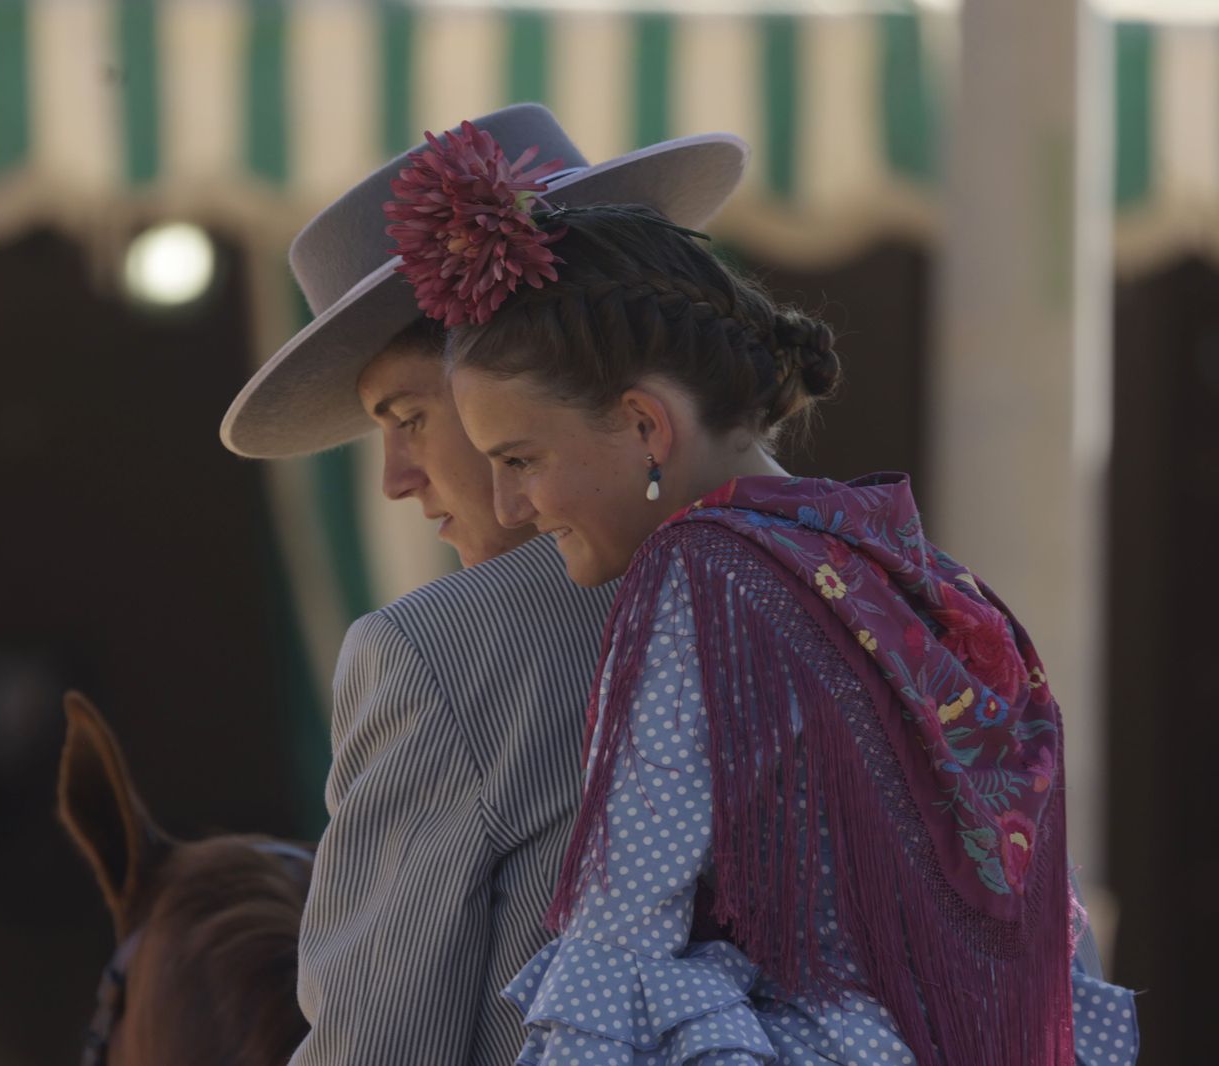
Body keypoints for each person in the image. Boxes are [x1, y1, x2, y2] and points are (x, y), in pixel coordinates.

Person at [386, 129, 1138, 1063]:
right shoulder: (913, 572)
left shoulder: (699, 570)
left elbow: (629, 911)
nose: (508, 505)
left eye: (521, 460)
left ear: (643, 424)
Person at [219, 106, 749, 1064]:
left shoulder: (437, 654)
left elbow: (376, 1050)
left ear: (514, 373)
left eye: (410, 417)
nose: (393, 478)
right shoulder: (878, 577)